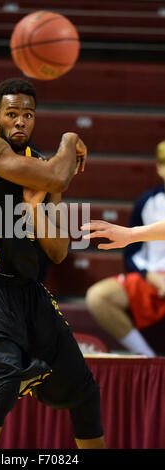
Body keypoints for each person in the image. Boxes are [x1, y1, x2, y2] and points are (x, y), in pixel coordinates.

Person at [0, 77, 105, 449]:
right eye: (12, 114)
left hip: (29, 291)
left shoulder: (41, 165)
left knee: (85, 392)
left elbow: (57, 251)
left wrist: (35, 209)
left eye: (28, 115)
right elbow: (59, 173)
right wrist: (71, 138)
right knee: (4, 384)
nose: (20, 122)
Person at [83, 140, 165, 357]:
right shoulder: (147, 201)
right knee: (98, 296)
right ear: (158, 167)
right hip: (151, 277)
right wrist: (151, 276)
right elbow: (132, 254)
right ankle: (147, 358)